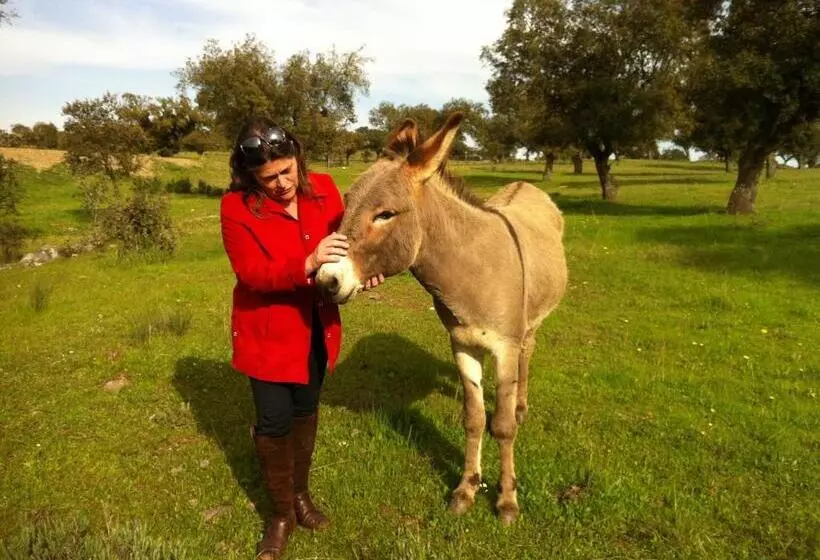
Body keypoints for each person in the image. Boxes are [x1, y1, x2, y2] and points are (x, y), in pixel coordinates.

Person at [220, 117, 383, 560]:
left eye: (287, 170)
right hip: (267, 333)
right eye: (268, 177)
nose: (281, 183)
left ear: (298, 160)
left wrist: (361, 273)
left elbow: (349, 245)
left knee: (306, 411)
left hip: (317, 328)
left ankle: (301, 496)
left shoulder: (326, 188)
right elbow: (251, 274)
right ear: (249, 175)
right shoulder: (236, 207)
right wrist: (308, 261)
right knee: (274, 421)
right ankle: (279, 516)